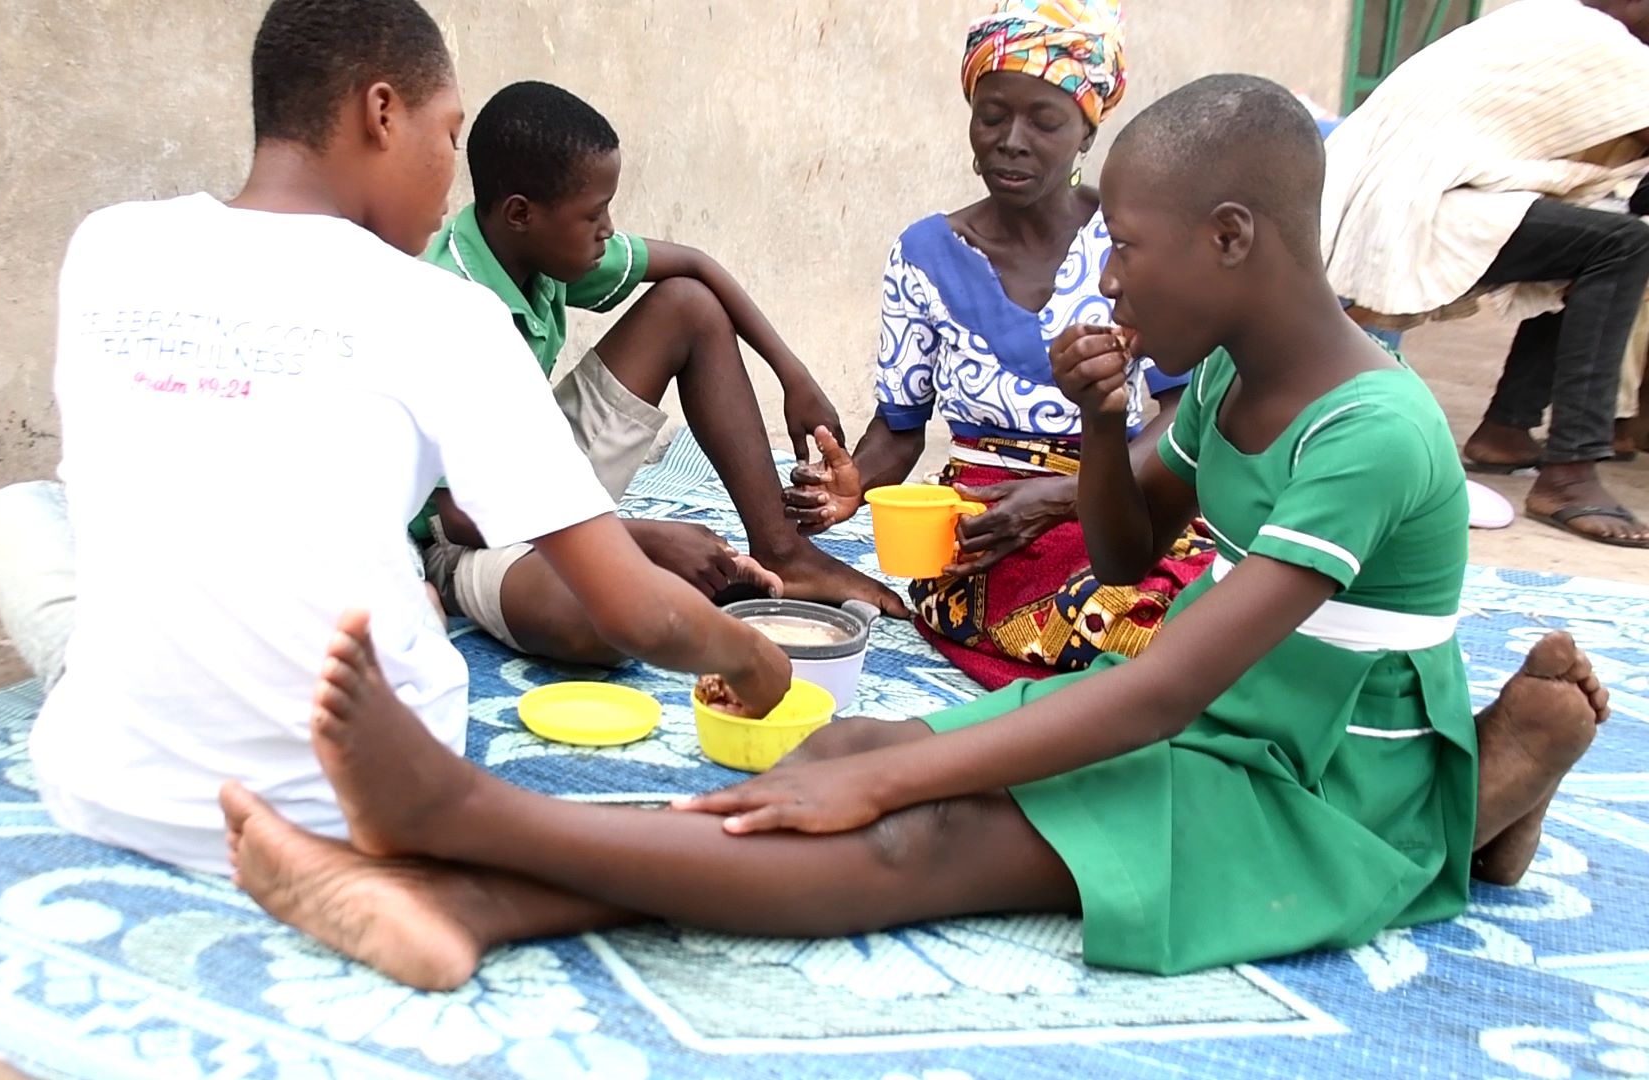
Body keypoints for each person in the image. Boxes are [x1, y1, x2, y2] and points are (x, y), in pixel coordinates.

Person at [217, 76, 1610, 992]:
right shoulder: (1239, 377)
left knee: (907, 839)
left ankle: (464, 827)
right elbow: (1128, 566)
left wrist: (896, 790)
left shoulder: (1372, 431)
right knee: (848, 747)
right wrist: (1099, 433)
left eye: (1125, 245)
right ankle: (473, 907)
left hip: (1308, 784)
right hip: (1227, 723)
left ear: (1234, 237)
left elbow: (1165, 683)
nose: (1106, 273)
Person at [0, 0, 790, 875]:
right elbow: (640, 614)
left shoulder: (109, 247)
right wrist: (753, 660)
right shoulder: (442, 312)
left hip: (112, 789)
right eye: (446, 135)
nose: (449, 177)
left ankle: (120, 694)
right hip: (362, 806)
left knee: (19, 516)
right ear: (382, 112)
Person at [782, 0, 1213, 689]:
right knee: (1136, 635)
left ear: (1086, 132)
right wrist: (853, 487)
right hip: (982, 528)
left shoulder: (1132, 241)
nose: (1012, 139)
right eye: (992, 115)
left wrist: (1064, 495)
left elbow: (1179, 419)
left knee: (1210, 616)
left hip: (1126, 500)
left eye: (1044, 120)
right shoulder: (924, 253)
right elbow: (900, 428)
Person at [414, 81, 905, 666]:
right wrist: (631, 536)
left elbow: (697, 266)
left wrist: (791, 374)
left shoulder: (531, 247)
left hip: (537, 476)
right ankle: (615, 570)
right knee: (615, 624)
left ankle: (782, 550)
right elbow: (458, 516)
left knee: (688, 305)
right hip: (463, 532)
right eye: (593, 215)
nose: (608, 229)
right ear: (521, 213)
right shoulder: (447, 302)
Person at [1320, 0, 1649, 547]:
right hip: (1406, 206)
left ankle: (1506, 430)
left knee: (1598, 241)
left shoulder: (1545, 19)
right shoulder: (1602, 41)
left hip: (1390, 196)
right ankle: (1569, 476)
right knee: (1624, 246)